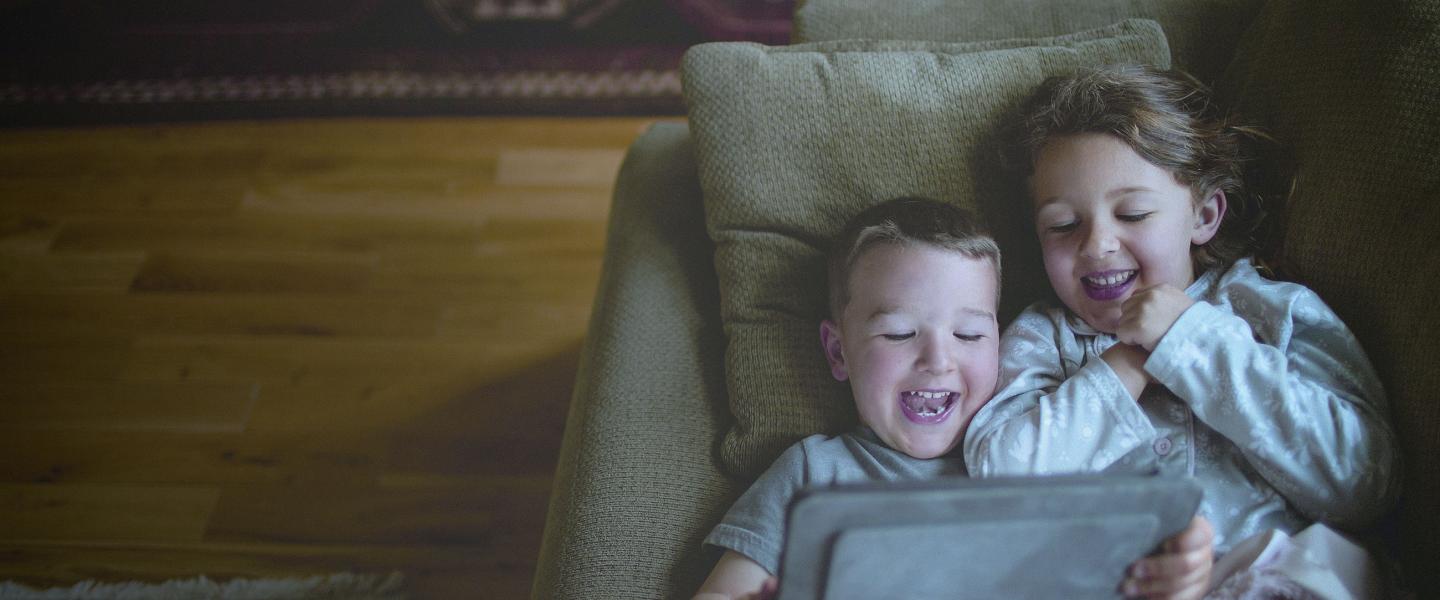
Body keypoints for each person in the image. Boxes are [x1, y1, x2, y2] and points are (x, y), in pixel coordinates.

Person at [963, 65, 1401, 599]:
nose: (1097, 243)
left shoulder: (1268, 310)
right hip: (1121, 583)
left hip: (1274, 575)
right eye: (1062, 225)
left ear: (1204, 215)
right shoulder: (1042, 340)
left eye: (1134, 213)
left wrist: (1190, 342)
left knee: (1331, 565)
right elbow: (997, 482)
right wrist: (1124, 365)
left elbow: (1363, 481)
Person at [695, 196, 1209, 600]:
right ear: (838, 352)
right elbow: (722, 590)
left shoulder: (1045, 451)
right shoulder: (815, 472)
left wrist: (1180, 570)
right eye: (898, 334)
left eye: (968, 335)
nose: (937, 360)